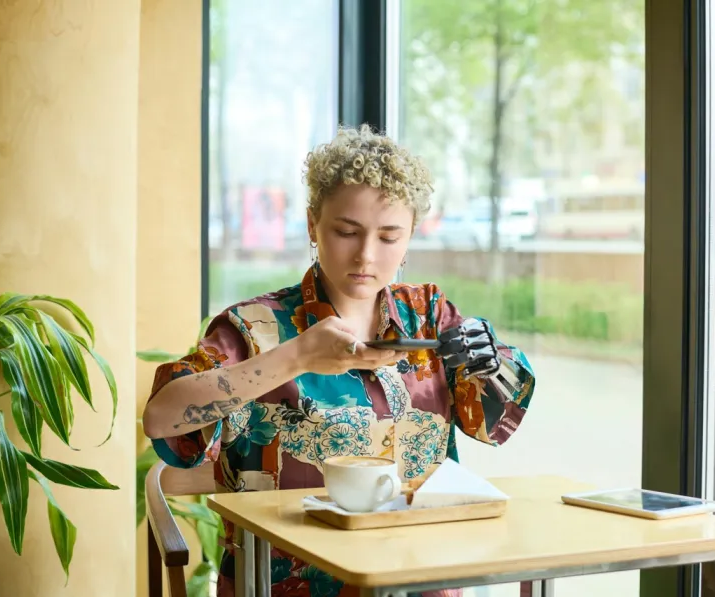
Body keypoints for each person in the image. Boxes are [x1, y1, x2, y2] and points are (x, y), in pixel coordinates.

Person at [142, 125, 537, 597]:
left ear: (410, 236)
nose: (366, 256)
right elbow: (162, 417)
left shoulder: (428, 316)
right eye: (346, 231)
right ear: (313, 225)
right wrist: (297, 356)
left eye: (390, 237)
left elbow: (494, 422)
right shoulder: (255, 326)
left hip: (418, 577)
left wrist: (490, 364)